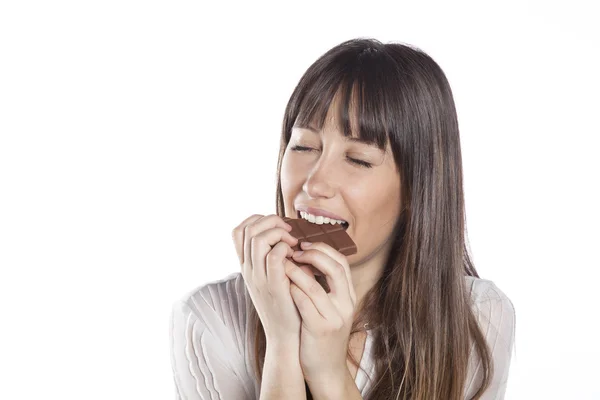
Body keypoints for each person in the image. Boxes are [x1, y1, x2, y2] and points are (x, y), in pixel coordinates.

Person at [169, 38, 516, 400]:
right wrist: (284, 345)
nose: (314, 183)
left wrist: (328, 372)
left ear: (417, 189)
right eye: (303, 146)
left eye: (358, 160)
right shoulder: (208, 318)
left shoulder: (476, 318)